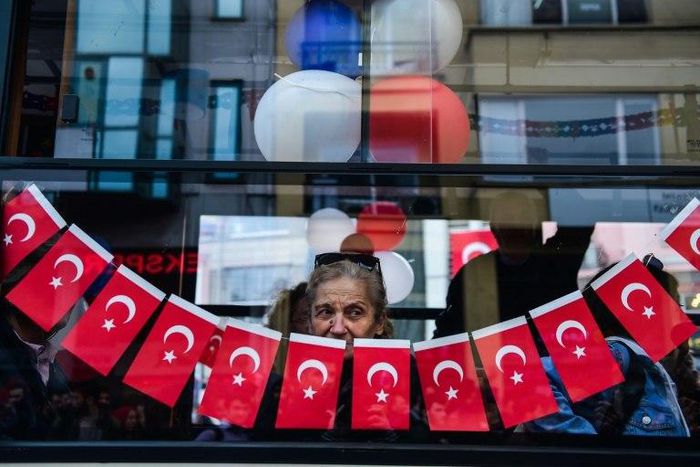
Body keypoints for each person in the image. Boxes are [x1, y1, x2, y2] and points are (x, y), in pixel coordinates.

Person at [523, 255, 692, 437]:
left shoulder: (646, 364)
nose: (682, 316)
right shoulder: (621, 354)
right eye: (675, 305)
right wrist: (594, 451)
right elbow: (531, 381)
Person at [303, 253, 427, 442]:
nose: (337, 328)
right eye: (326, 312)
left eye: (354, 312)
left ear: (379, 322)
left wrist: (389, 431)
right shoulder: (292, 376)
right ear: (310, 322)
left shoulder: (409, 378)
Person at [435, 190, 593, 337]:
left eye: (524, 218)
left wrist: (546, 176)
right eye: (508, 219)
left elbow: (581, 215)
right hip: (492, 361)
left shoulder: (556, 262)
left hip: (556, 357)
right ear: (494, 228)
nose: (517, 227)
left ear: (534, 226)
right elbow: (449, 331)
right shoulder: (474, 274)